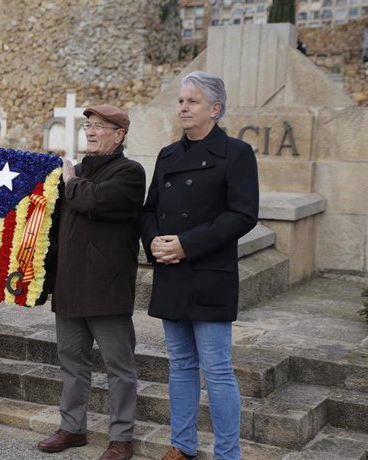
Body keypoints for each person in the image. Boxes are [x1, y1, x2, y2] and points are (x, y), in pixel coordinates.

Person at [141, 71, 259, 460]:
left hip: (209, 274)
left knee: (218, 369)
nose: (183, 107)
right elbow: (150, 210)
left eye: (191, 101)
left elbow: (243, 214)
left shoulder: (237, 154)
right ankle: (183, 445)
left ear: (215, 109)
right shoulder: (168, 155)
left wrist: (187, 245)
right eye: (180, 101)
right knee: (180, 365)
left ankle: (228, 453)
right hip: (171, 272)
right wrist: (154, 240)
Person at [37, 104, 145, 460]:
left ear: (120, 134)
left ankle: (121, 438)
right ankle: (72, 428)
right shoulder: (76, 172)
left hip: (107, 288)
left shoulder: (130, 172)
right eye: (89, 125)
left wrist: (69, 182)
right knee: (71, 362)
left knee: (119, 367)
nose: (92, 131)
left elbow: (96, 201)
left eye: (101, 126)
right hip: (69, 286)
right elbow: (52, 228)